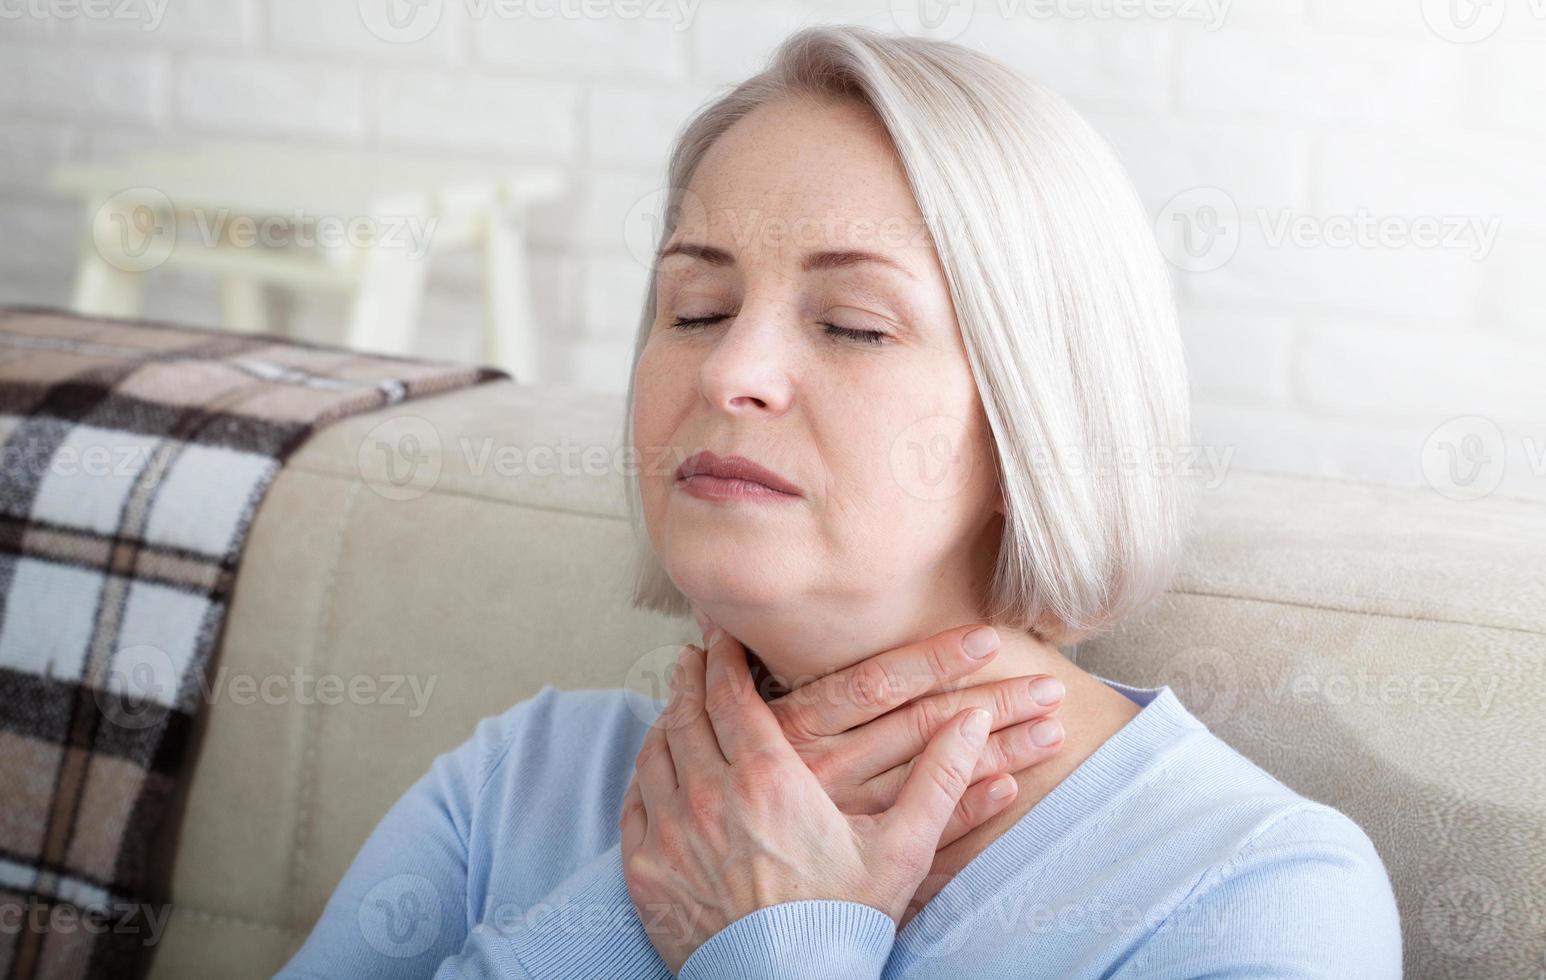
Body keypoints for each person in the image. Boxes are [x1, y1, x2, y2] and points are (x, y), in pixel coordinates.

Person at [276, 24, 1401, 979]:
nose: (729, 374)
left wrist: (771, 941)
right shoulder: (523, 774)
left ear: (1035, 418)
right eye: (699, 305)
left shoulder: (1255, 887)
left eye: (852, 324)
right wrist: (628, 908)